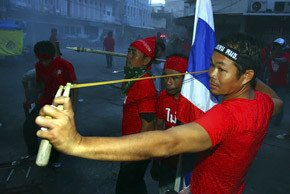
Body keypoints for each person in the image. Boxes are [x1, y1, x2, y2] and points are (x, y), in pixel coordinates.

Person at [36, 34, 283, 193]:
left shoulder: (227, 116)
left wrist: (77, 143)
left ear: (247, 75)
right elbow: (278, 100)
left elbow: (169, 141)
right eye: (211, 65)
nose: (211, 74)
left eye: (221, 69)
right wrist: (248, 77)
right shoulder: (261, 103)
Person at [23, 40, 78, 167]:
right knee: (28, 126)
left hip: (61, 103)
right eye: (40, 60)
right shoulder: (38, 66)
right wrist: (36, 100)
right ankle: (33, 153)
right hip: (45, 100)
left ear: (52, 56)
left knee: (55, 131)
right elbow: (41, 84)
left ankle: (54, 159)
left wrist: (74, 104)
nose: (43, 63)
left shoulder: (65, 65)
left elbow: (75, 85)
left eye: (46, 60)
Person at [119, 36, 157, 194]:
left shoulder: (144, 83)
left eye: (133, 53)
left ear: (146, 60)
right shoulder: (134, 78)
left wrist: (133, 156)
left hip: (135, 149)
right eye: (128, 52)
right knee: (133, 187)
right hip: (128, 144)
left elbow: (148, 125)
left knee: (127, 188)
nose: (128, 56)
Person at [151, 55, 189, 194]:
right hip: (167, 161)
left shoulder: (192, 104)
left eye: (175, 78)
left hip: (187, 164)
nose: (168, 82)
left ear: (186, 79)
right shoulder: (163, 97)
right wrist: (155, 161)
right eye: (166, 76)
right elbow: (158, 129)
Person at [266, 38, 289, 129]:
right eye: (275, 46)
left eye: (279, 46)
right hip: (271, 82)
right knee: (269, 101)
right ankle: (269, 118)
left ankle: (278, 120)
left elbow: (284, 60)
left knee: (280, 102)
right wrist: (265, 78)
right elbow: (267, 68)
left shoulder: (286, 55)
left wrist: (273, 58)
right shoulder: (272, 55)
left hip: (282, 84)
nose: (277, 48)